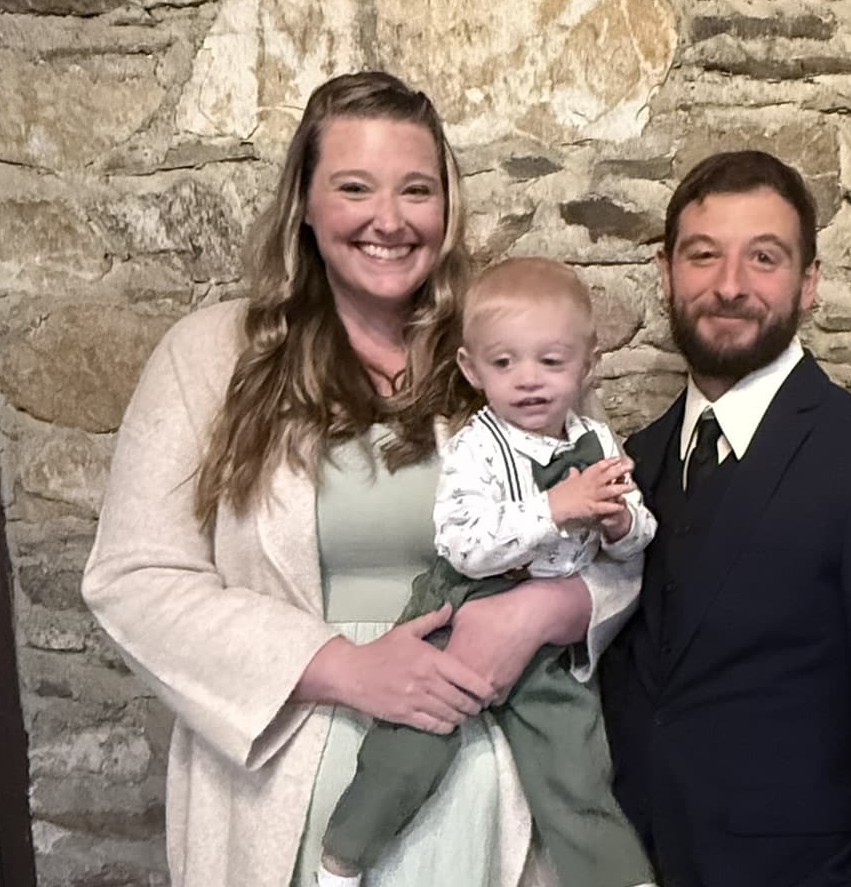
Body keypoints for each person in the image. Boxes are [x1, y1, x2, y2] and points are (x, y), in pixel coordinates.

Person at [80, 72, 643, 887]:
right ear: (304, 205)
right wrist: (343, 664)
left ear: (446, 207)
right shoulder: (208, 357)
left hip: (492, 783)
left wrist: (542, 611)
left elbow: (614, 538)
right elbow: (134, 576)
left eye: (416, 190)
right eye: (354, 187)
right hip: (287, 784)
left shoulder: (511, 349)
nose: (390, 219)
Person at [599, 150, 851, 887]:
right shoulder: (631, 465)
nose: (729, 285)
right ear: (665, 272)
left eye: (763, 257)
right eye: (703, 255)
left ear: (809, 283)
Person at [318, 257, 656, 887]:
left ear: (588, 364)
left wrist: (618, 524)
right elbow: (463, 544)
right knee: (417, 736)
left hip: (549, 632)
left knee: (575, 760)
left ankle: (617, 875)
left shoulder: (597, 441)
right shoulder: (475, 445)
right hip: (460, 601)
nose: (528, 380)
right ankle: (344, 853)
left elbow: (638, 542)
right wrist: (554, 510)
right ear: (472, 369)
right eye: (504, 363)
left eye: (551, 362)